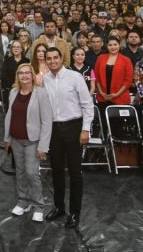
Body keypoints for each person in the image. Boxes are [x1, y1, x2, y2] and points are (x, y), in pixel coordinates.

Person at [43, 47, 94, 229]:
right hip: (54, 129)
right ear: (46, 61)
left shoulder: (75, 77)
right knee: (56, 170)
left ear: (61, 58)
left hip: (74, 127)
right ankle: (59, 207)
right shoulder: (45, 79)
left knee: (74, 172)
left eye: (55, 57)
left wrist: (85, 129)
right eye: (49, 58)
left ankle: (75, 212)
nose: (52, 61)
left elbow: (88, 105)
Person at [3, 63, 52, 223]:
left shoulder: (41, 93)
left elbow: (47, 121)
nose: (24, 76)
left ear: (32, 75)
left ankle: (38, 206)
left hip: (33, 141)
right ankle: (23, 202)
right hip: (16, 139)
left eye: (27, 73)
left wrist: (43, 146)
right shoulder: (13, 92)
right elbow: (9, 116)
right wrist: (7, 138)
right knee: (20, 172)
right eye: (21, 73)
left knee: (32, 173)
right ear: (17, 76)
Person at [93, 37, 134, 114]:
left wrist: (116, 94)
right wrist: (101, 93)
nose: (113, 47)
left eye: (115, 44)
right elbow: (97, 77)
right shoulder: (100, 58)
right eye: (110, 45)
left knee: (117, 124)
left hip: (120, 98)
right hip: (103, 97)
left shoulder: (126, 60)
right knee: (104, 123)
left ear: (119, 45)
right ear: (106, 46)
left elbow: (128, 81)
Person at [1, 41, 29, 106]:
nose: (15, 48)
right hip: (10, 87)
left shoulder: (27, 61)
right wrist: (13, 85)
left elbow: (28, 75)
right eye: (14, 47)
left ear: (22, 49)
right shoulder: (7, 61)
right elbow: (4, 75)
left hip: (24, 86)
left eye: (18, 47)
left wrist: (19, 84)